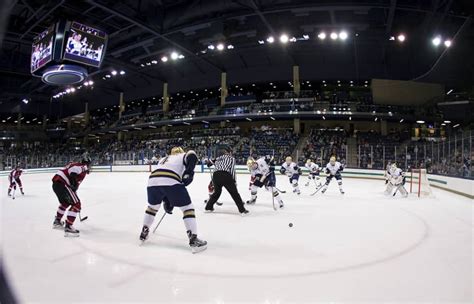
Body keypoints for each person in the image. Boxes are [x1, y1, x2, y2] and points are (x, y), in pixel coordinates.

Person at [139, 147, 207, 253]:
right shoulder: (182, 155)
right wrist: (189, 172)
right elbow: (192, 155)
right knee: (187, 208)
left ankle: (144, 231)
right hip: (170, 179)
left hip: (152, 181)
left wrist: (167, 200)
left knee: (152, 207)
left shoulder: (163, 159)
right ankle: (193, 239)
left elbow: (163, 184)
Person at [52, 153, 91, 236]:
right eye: (89, 165)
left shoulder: (75, 164)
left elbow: (72, 176)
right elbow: (72, 172)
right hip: (63, 183)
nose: (90, 167)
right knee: (77, 204)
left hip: (57, 183)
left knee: (65, 203)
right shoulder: (82, 166)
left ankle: (57, 221)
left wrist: (74, 186)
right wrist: (74, 185)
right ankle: (68, 226)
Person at [204, 145, 249, 215]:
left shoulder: (218, 158)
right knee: (234, 193)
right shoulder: (231, 158)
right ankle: (242, 210)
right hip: (225, 175)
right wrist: (234, 180)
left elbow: (209, 163)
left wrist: (208, 163)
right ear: (229, 152)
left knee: (217, 192)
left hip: (215, 175)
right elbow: (232, 170)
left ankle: (208, 207)